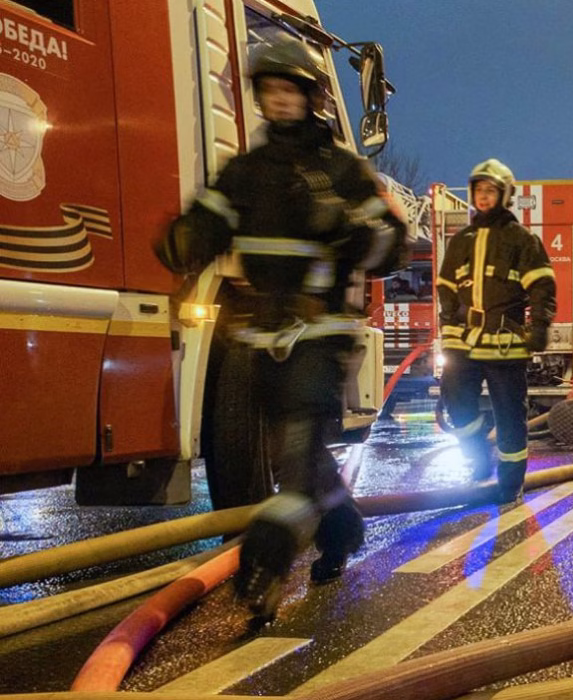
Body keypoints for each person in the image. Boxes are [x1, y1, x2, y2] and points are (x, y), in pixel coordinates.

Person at [154, 38, 407, 616]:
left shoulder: (341, 170)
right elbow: (208, 224)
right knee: (307, 456)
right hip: (257, 338)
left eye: (290, 89)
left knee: (294, 455)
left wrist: (350, 228)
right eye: (270, 90)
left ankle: (263, 565)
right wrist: (183, 240)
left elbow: (393, 246)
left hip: (319, 336)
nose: (280, 99)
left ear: (311, 97)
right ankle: (341, 529)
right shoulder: (244, 173)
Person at [437, 158, 556, 503]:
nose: (484, 196)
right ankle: (477, 455)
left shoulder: (521, 240)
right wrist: (448, 325)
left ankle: (510, 483)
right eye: (479, 190)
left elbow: (542, 287)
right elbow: (446, 288)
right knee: (455, 403)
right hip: (464, 343)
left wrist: (539, 326)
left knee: (510, 418)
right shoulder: (461, 240)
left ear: (504, 195)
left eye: (491, 190)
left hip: (506, 345)